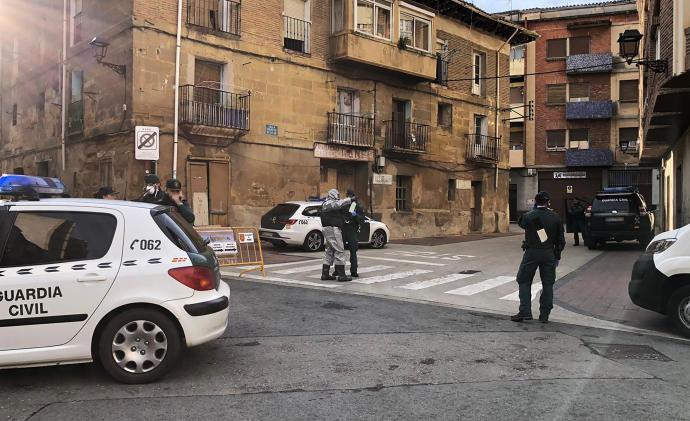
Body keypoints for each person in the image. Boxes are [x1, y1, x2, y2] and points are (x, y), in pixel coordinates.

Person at [512, 191, 565, 323]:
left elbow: (521, 223)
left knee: (524, 280)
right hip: (549, 253)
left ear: (536, 202)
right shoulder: (556, 217)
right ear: (548, 202)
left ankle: (525, 312)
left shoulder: (529, 216)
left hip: (532, 253)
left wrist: (533, 212)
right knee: (548, 284)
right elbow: (561, 241)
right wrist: (556, 255)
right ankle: (544, 315)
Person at [320, 188, 354, 282]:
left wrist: (351, 204)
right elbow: (338, 204)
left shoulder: (330, 204)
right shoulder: (328, 203)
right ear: (332, 194)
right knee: (340, 250)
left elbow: (344, 210)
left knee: (329, 251)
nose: (338, 197)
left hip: (330, 229)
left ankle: (325, 273)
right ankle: (342, 275)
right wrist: (349, 199)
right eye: (337, 195)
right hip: (332, 228)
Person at [342, 189, 365, 277]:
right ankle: (339, 270)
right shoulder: (344, 204)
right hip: (344, 229)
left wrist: (356, 216)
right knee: (340, 252)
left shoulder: (356, 205)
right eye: (348, 195)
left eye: (351, 196)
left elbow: (361, 219)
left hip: (352, 230)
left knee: (353, 252)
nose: (350, 197)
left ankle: (353, 271)